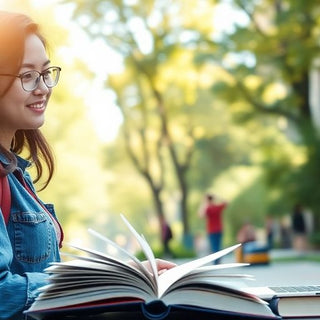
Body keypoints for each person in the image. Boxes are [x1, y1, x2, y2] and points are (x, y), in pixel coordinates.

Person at [0, 11, 175, 320]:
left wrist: (125, 274)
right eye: (27, 76)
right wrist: (110, 283)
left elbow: (36, 273)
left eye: (45, 73)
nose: (43, 87)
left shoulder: (15, 174)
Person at [198, 193, 227, 263]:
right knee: (218, 245)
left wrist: (204, 204)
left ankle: (216, 261)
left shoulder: (208, 208)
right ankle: (218, 259)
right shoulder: (217, 207)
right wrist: (218, 197)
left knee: (214, 246)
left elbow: (200, 215)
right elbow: (226, 203)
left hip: (211, 230)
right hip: (219, 229)